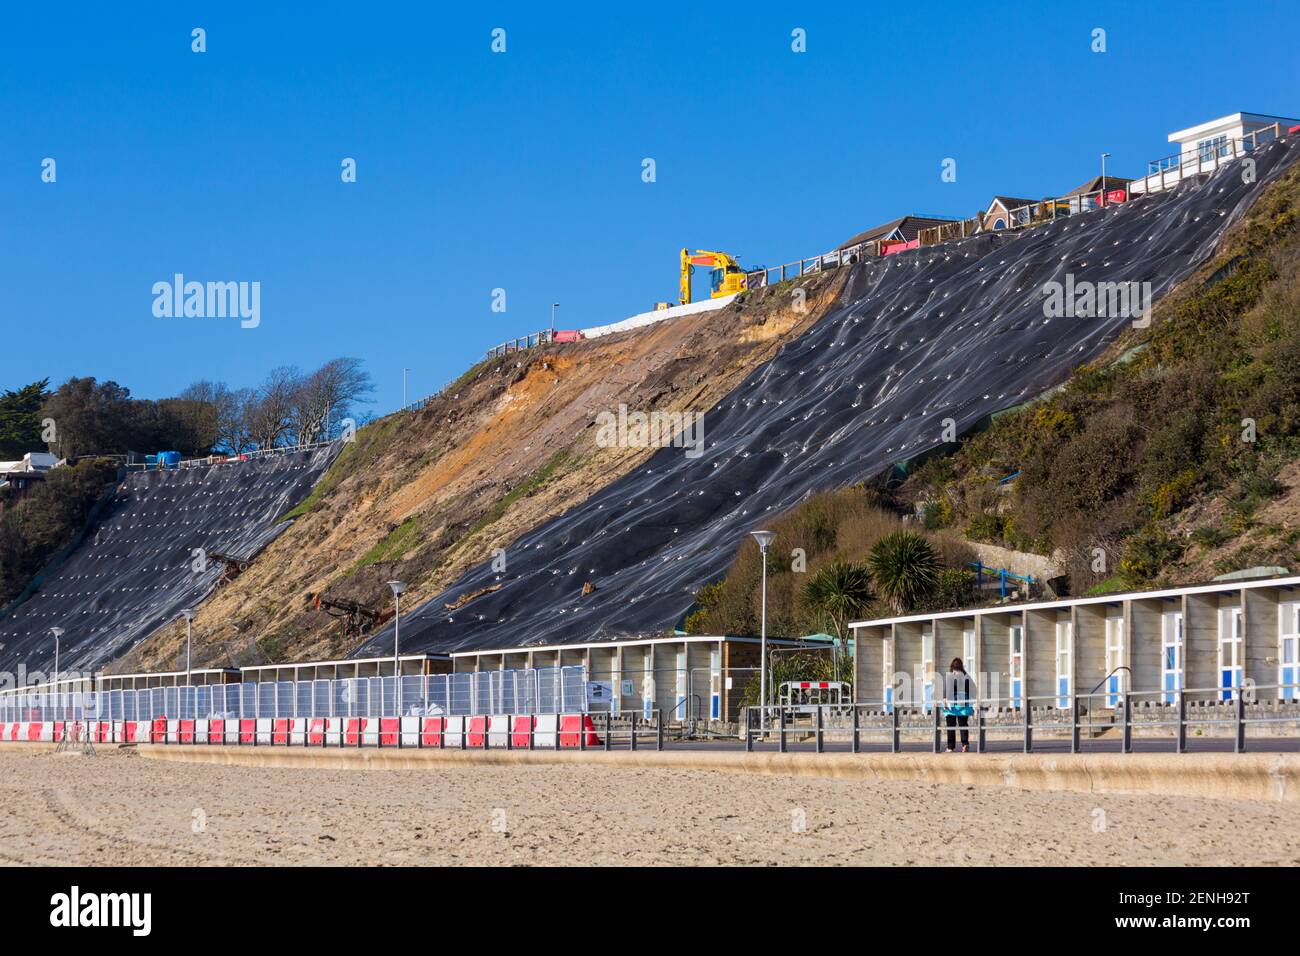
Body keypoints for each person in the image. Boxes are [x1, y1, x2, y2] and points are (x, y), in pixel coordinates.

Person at [941, 658, 976, 752]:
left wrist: (945, 700)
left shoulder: (949, 676)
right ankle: (965, 744)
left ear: (952, 667)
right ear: (961, 666)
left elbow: (946, 689)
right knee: (963, 724)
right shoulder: (966, 676)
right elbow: (973, 689)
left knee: (950, 726)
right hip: (963, 704)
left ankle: (950, 747)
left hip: (951, 704)